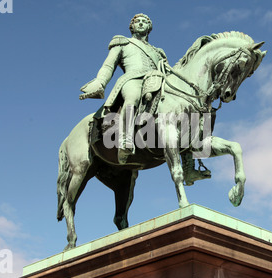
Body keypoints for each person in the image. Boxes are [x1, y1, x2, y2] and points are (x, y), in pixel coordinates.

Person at [80, 13, 210, 185]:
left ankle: (189, 168)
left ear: (149, 28)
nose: (141, 24)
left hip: (156, 82)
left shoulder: (158, 52)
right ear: (132, 27)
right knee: (132, 97)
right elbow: (109, 65)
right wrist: (100, 82)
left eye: (145, 22)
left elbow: (169, 72)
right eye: (137, 22)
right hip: (132, 79)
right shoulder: (122, 42)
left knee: (184, 112)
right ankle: (125, 140)